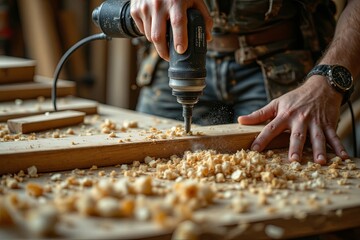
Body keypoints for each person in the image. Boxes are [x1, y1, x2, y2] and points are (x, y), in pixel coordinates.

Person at [130, 0, 359, 164]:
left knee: (285, 175)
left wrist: (327, 81)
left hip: (285, 60)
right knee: (143, 161)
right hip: (177, 50)